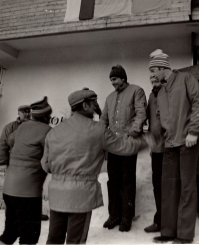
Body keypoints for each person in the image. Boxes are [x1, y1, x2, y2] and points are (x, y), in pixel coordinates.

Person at [41, 88, 151, 244]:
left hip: (57, 194)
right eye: (94, 103)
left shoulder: (54, 132)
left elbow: (46, 166)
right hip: (81, 196)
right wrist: (147, 141)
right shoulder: (99, 130)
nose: (96, 107)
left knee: (53, 240)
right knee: (76, 241)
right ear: (85, 106)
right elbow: (125, 147)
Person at [149, 49, 199, 244]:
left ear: (163, 68)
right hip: (169, 144)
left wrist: (194, 131)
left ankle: (184, 235)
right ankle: (168, 231)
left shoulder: (185, 79)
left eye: (153, 71)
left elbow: (198, 102)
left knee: (187, 188)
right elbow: (161, 117)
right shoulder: (160, 91)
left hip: (188, 142)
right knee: (168, 187)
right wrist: (155, 136)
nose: (151, 76)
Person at [0, 96, 52, 245]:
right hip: (28, 193)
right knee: (29, 237)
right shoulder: (47, 131)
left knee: (10, 232)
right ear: (46, 116)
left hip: (10, 189)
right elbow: (50, 159)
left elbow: (9, 141)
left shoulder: (20, 127)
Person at [100, 65, 147, 232]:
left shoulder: (136, 91)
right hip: (112, 147)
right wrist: (102, 136)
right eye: (111, 80)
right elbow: (103, 119)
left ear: (123, 78)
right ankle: (114, 216)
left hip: (128, 145)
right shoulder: (109, 98)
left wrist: (132, 133)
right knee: (113, 180)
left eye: (114, 79)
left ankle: (126, 218)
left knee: (127, 181)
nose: (112, 83)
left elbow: (141, 114)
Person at [144, 76, 164, 233]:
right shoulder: (151, 95)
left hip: (171, 148)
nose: (153, 79)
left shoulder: (170, 92)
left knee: (171, 186)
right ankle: (160, 221)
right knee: (157, 185)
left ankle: (172, 222)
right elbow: (150, 121)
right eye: (151, 77)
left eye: (156, 75)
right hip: (156, 149)